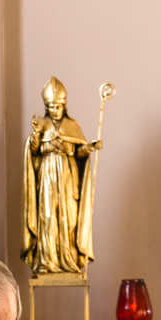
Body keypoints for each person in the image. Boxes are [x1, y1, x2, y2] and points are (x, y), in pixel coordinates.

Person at [22, 76, 100, 275]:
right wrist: (36, 134)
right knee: (48, 216)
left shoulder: (72, 125)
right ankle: (47, 261)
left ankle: (68, 260)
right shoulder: (42, 124)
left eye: (58, 106)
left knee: (69, 218)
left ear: (64, 106)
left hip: (67, 177)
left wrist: (89, 147)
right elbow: (33, 150)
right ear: (46, 107)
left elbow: (79, 152)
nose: (55, 110)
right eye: (51, 107)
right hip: (47, 176)